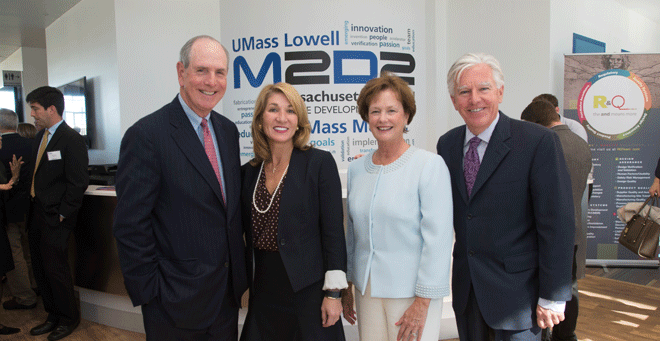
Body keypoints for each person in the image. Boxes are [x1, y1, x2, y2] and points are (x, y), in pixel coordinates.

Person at [113, 35, 247, 341]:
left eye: (220, 72)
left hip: (225, 296)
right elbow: (130, 225)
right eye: (202, 70)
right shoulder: (147, 135)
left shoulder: (227, 131)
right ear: (181, 72)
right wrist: (152, 294)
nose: (211, 81)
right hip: (173, 301)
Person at [436, 53, 575, 340]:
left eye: (483, 89)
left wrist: (553, 295)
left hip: (519, 296)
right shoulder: (447, 144)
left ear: (500, 92)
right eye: (464, 92)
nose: (474, 99)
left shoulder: (537, 142)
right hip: (468, 292)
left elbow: (557, 223)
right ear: (454, 100)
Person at [342, 74, 453, 341]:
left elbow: (438, 240)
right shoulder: (357, 169)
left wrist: (422, 302)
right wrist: (347, 284)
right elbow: (353, 234)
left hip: (412, 296)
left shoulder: (429, 165)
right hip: (366, 292)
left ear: (406, 116)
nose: (383, 119)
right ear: (366, 117)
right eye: (375, 111)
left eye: (392, 110)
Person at [240, 82, 347, 340]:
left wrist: (333, 294)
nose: (281, 118)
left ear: (299, 121)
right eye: (273, 109)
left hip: (307, 291)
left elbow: (333, 232)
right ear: (259, 120)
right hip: (263, 290)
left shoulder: (319, 163)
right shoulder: (248, 172)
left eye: (290, 111)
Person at [521, 100, 593, 341]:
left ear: (535, 124)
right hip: (574, 231)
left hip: (547, 233)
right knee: (569, 288)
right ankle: (566, 335)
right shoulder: (581, 144)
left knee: (546, 292)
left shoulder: (545, 145)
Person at [26, 86, 89, 341]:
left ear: (51, 109)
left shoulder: (71, 139)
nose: (32, 115)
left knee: (57, 270)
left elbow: (78, 182)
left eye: (35, 109)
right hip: (35, 215)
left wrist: (63, 214)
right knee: (40, 269)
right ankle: (51, 315)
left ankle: (68, 318)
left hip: (55, 218)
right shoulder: (40, 138)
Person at [0, 108, 37, 311]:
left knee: (14, 254)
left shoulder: (1, 147)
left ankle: (24, 297)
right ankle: (33, 285)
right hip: (31, 207)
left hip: (7, 209)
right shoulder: (32, 145)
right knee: (29, 250)